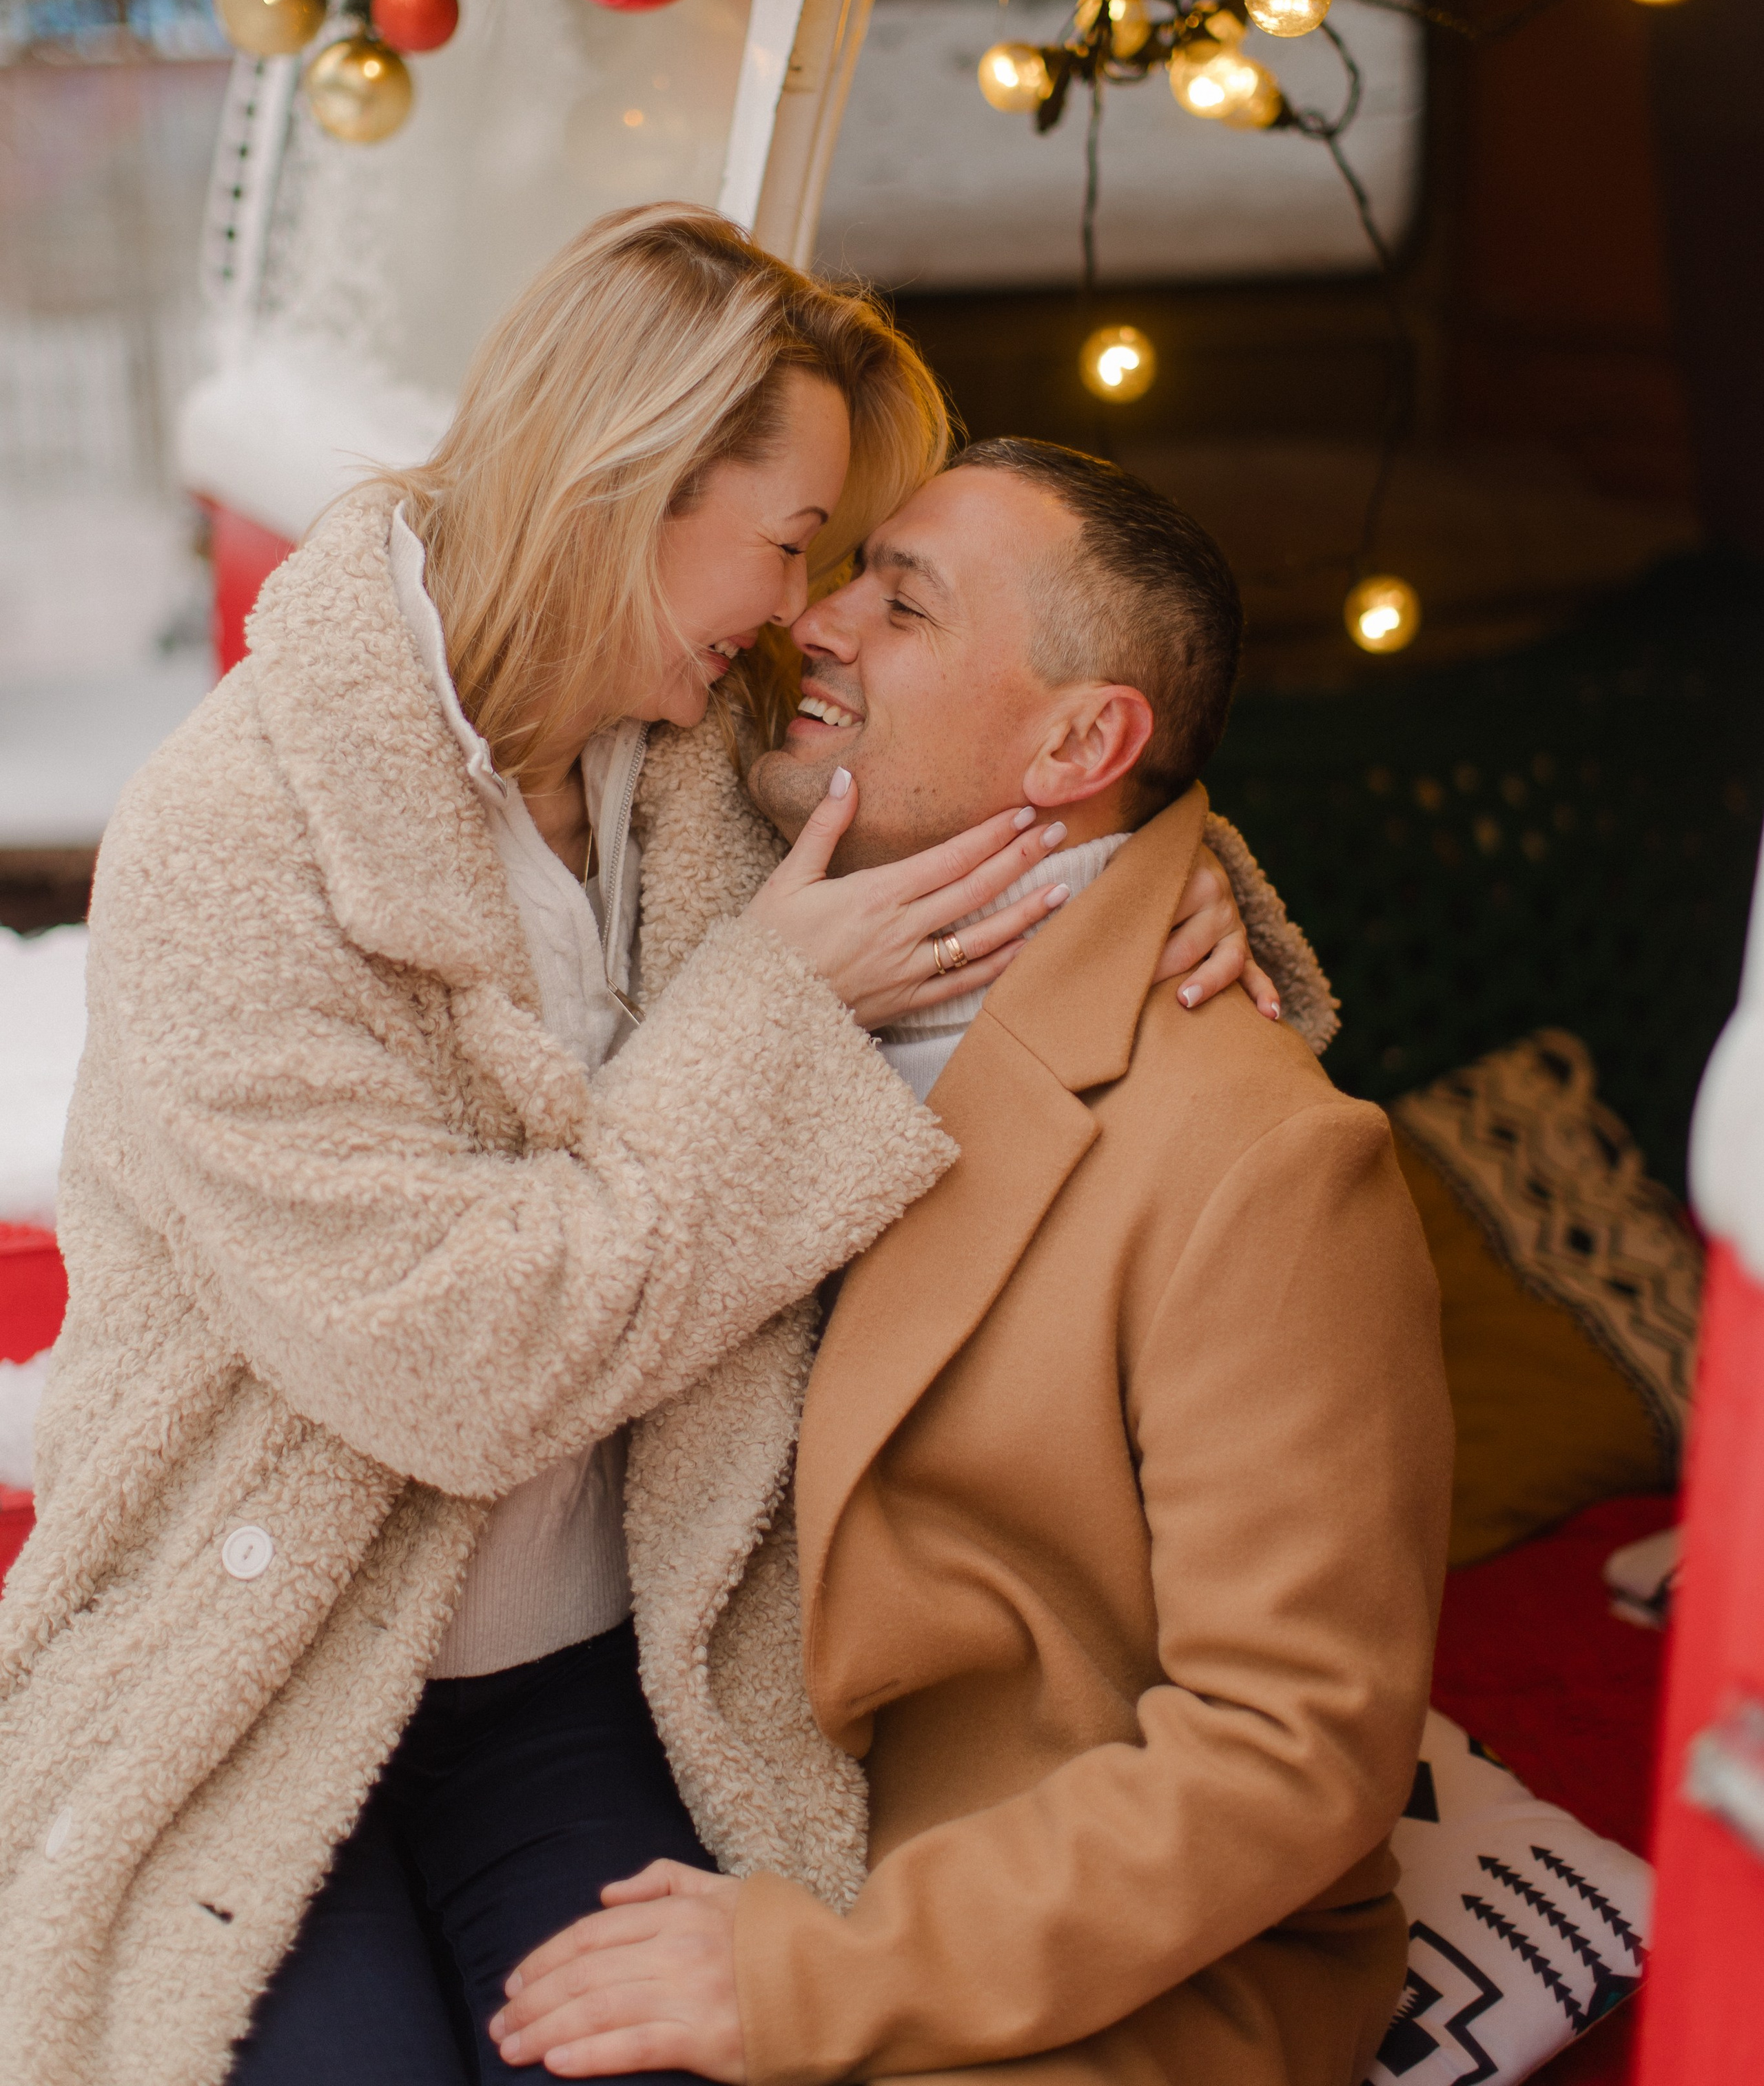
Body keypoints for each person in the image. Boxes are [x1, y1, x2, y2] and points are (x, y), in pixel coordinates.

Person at [0, 221, 1279, 2086]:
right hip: (247, 1658)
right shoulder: (231, 841)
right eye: (788, 545)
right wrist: (772, 1008)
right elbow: (460, 1366)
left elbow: (1021, 763)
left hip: (579, 1680)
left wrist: (1175, 884)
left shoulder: (702, 756)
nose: (801, 611)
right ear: (628, 489)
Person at [487, 440, 1455, 2086]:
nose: (824, 623)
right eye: (842, 568)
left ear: (1084, 739)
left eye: (902, 600)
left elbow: (1288, 1750)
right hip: (719, 1796)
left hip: (1066, 1955)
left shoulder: (1266, 1162)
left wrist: (812, 1977)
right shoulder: (767, 901)